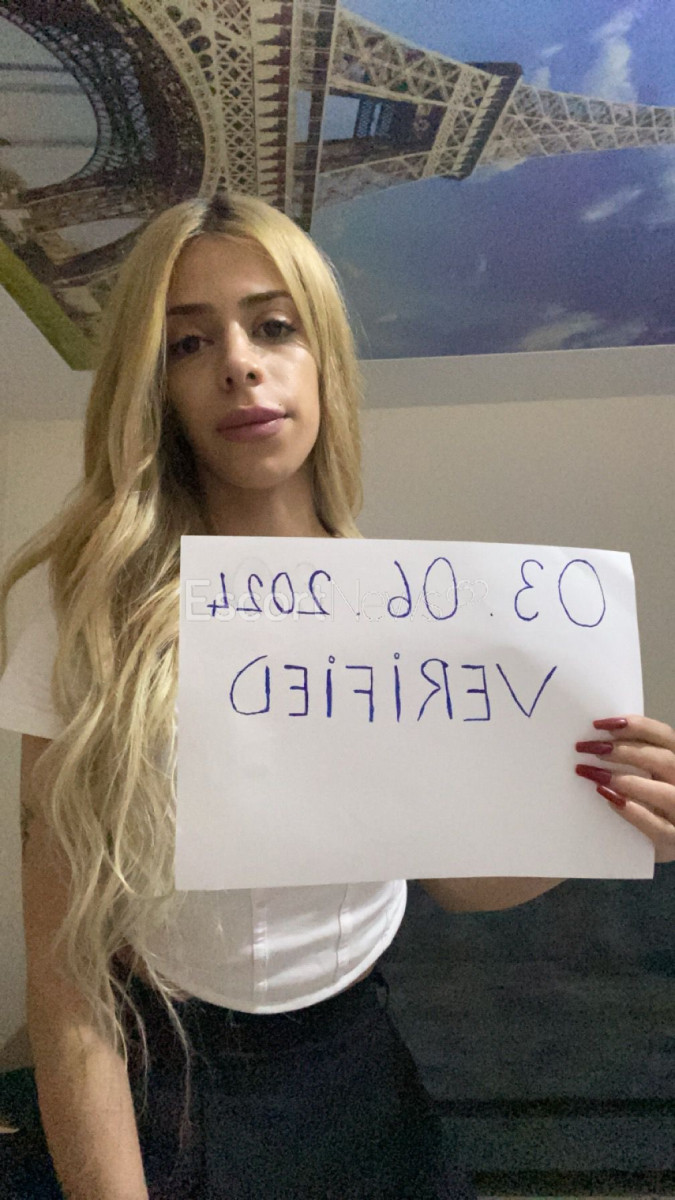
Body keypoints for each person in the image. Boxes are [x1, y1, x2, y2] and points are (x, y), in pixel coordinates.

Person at [0, 191, 673, 1200]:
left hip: (354, 1059)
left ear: (325, 360)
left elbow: (453, 881)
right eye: (189, 343)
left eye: (274, 326)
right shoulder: (86, 619)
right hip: (159, 1071)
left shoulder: (409, 612)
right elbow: (66, 988)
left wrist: (621, 827)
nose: (239, 363)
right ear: (155, 385)